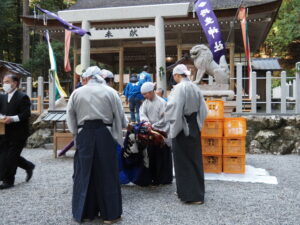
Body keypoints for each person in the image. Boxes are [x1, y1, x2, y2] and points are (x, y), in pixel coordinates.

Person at [66, 66, 126, 224]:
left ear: (87, 77)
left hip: (84, 132)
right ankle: (110, 214)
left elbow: (70, 116)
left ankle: (85, 212)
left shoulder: (77, 93)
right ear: (99, 76)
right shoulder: (110, 92)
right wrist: (117, 132)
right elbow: (120, 116)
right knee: (107, 172)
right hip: (104, 133)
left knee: (84, 172)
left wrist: (76, 133)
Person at [165, 64, 208, 204]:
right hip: (193, 124)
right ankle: (198, 193)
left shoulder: (179, 89)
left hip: (182, 126)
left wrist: (174, 129)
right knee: (195, 159)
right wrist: (198, 124)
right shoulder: (195, 87)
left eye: (174, 75)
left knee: (182, 161)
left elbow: (174, 109)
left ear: (177, 75)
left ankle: (188, 194)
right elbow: (204, 110)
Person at [0, 74, 35, 190]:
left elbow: (26, 114)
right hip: (5, 132)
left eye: (7, 81)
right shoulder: (2, 97)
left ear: (14, 83)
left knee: (10, 157)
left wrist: (12, 118)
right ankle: (29, 166)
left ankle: (8, 181)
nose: (4, 84)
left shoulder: (22, 97)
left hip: (19, 133)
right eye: (3, 81)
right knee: (6, 155)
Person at [138, 82, 173, 186]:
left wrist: (154, 126)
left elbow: (165, 119)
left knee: (162, 156)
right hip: (151, 132)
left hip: (160, 132)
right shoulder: (145, 103)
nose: (144, 96)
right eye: (143, 94)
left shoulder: (162, 102)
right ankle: (153, 177)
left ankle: (164, 179)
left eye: (146, 94)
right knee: (152, 155)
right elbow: (142, 114)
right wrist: (147, 124)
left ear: (151, 92)